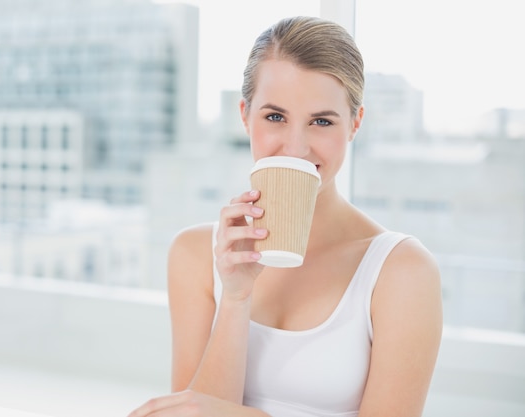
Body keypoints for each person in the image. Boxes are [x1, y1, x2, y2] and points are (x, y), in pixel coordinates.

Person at [128, 16, 442, 417]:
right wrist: (236, 297)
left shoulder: (401, 272)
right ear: (245, 115)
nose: (295, 147)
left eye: (322, 121)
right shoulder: (194, 255)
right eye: (275, 117)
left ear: (355, 124)